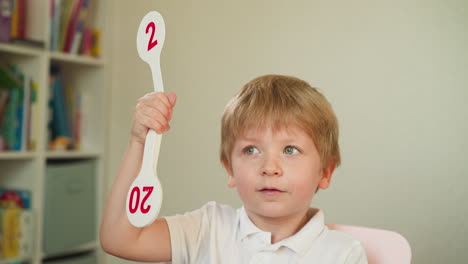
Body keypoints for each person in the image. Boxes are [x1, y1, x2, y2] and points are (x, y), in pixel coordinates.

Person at [100, 74, 368, 263]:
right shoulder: (206, 228)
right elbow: (119, 238)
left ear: (325, 172)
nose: (269, 167)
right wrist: (140, 142)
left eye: (290, 150)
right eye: (251, 150)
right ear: (230, 169)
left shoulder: (343, 254)